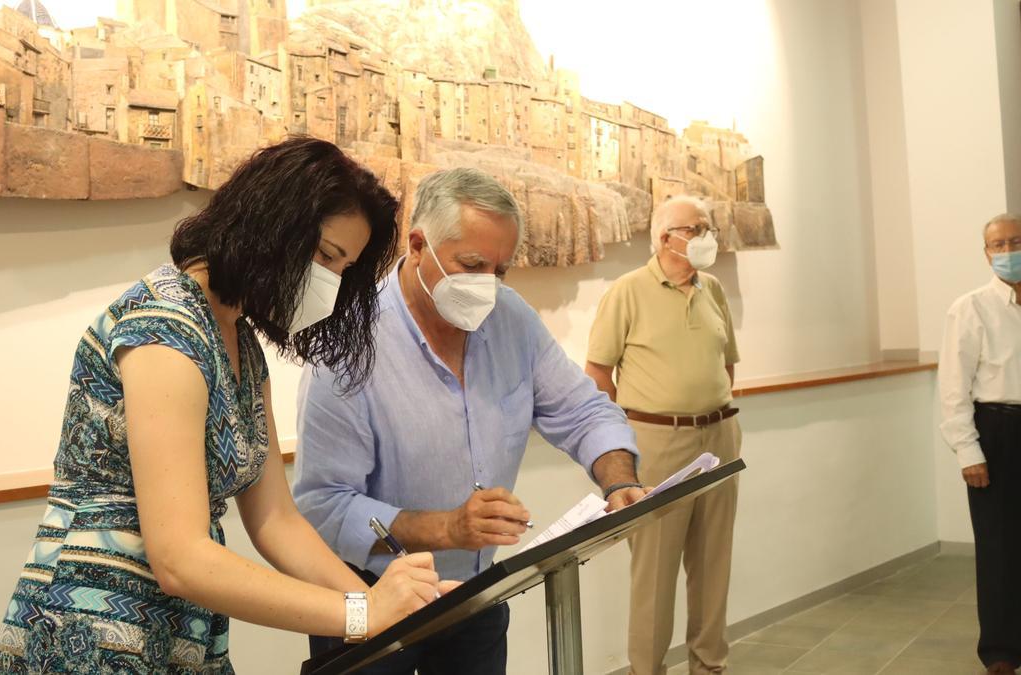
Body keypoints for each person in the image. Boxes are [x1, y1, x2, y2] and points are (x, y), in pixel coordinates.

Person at [0, 137, 456, 675]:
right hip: (89, 628)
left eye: (345, 268)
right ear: (273, 224)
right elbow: (180, 557)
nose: (330, 281)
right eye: (327, 256)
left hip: (178, 630)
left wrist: (384, 612)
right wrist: (359, 612)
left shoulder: (238, 340)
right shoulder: (165, 328)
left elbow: (276, 520)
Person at [293, 167, 644, 674]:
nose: (487, 286)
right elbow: (324, 506)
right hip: (368, 595)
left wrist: (620, 481)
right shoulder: (347, 344)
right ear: (417, 245)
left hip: (474, 595)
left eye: (499, 271)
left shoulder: (511, 319)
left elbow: (582, 409)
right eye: (472, 264)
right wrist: (448, 528)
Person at [585, 195, 741, 675]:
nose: (705, 237)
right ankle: (647, 670)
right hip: (656, 442)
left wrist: (704, 411)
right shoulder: (627, 291)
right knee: (653, 571)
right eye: (695, 229)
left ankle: (709, 666)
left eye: (707, 227)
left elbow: (727, 364)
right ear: (664, 237)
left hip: (720, 436)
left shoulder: (712, 289)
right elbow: (597, 375)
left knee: (713, 563)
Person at [938, 213, 1021, 675]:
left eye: (1015, 241)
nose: (1007, 251)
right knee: (999, 547)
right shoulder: (970, 308)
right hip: (999, 432)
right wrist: (968, 451)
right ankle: (1002, 652)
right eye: (998, 245)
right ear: (986, 253)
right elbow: (953, 387)